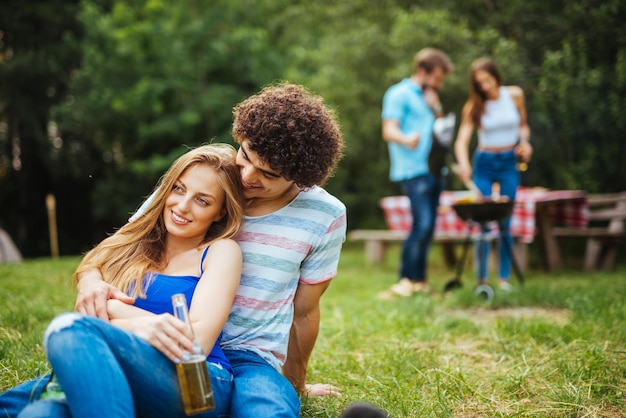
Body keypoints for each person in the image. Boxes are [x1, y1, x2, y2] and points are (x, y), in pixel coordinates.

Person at [1, 83, 347, 418]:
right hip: (163, 349)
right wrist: (91, 280)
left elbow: (304, 313)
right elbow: (122, 244)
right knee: (40, 403)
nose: (246, 175)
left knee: (265, 407)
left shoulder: (323, 215)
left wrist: (296, 383)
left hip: (248, 353)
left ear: (299, 177)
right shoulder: (208, 180)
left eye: (267, 173)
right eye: (245, 155)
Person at [4, 143, 245, 418]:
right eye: (178, 188)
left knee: (68, 329)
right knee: (40, 413)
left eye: (202, 200)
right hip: (121, 368)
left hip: (198, 380)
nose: (183, 205)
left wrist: (115, 311)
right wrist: (92, 282)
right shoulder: (136, 242)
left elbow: (196, 343)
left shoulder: (220, 251)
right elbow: (93, 262)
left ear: (221, 212)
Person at [378, 47, 454, 299]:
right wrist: (406, 138)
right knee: (421, 225)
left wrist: (437, 108)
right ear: (422, 72)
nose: (439, 84)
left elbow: (440, 130)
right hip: (412, 169)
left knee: (429, 227)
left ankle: (420, 281)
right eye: (436, 79)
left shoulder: (430, 99)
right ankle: (405, 280)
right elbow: (389, 130)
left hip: (434, 169)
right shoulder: (398, 94)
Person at [453, 57, 532, 290]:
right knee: (483, 221)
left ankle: (504, 279)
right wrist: (464, 163)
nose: (485, 87)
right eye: (479, 84)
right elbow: (461, 141)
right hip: (484, 162)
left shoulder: (514, 95)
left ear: (496, 76)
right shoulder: (474, 106)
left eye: (488, 81)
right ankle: (482, 280)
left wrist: (525, 143)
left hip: (509, 161)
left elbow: (523, 125)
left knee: (506, 219)